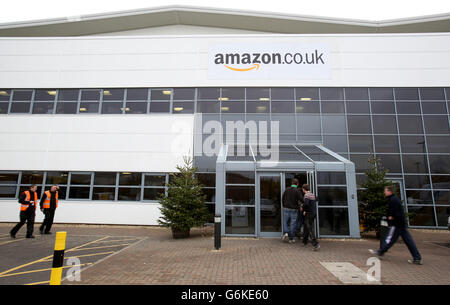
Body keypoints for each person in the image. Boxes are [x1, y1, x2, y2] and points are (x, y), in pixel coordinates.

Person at [369, 185, 422, 265]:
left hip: (397, 224)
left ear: (389, 191)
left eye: (385, 191)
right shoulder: (394, 199)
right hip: (401, 224)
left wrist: (390, 217)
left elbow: (394, 213)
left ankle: (381, 251)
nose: (384, 192)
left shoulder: (393, 200)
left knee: (390, 239)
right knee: (408, 241)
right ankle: (417, 257)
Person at [281, 178, 303, 243]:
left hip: (286, 208)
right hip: (294, 209)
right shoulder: (297, 191)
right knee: (293, 224)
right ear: (297, 184)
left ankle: (286, 232)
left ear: (292, 183)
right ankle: (291, 238)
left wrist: (283, 205)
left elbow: (283, 198)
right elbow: (301, 199)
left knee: (285, 221)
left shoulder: (287, 190)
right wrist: (301, 204)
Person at [301, 184, 320, 250]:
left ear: (303, 189)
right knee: (307, 227)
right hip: (313, 213)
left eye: (302, 189)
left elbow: (306, 204)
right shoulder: (312, 194)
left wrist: (304, 209)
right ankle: (304, 241)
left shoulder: (306, 195)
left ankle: (315, 244)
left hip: (308, 214)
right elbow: (317, 199)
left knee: (309, 228)